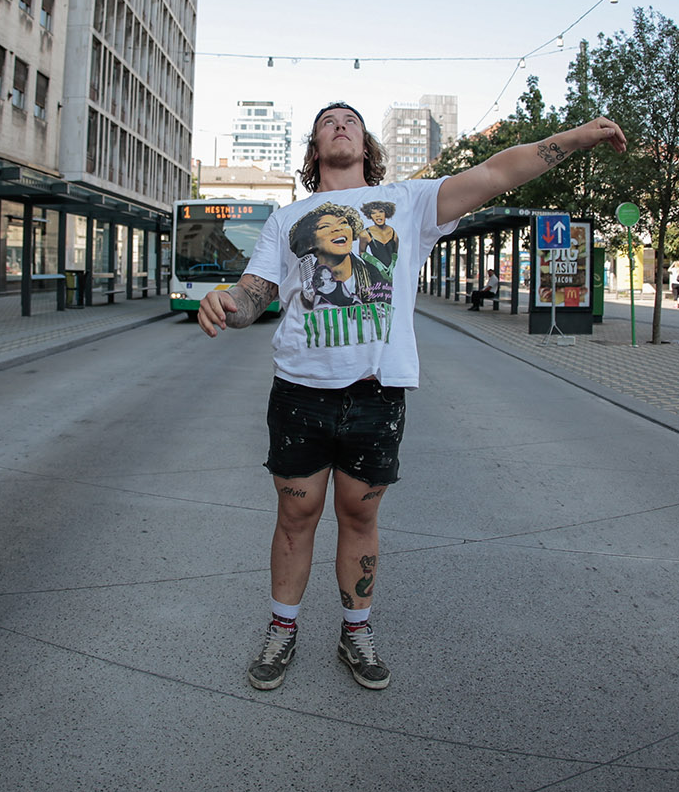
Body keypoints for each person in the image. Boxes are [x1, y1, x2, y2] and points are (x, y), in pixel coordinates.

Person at [198, 101, 626, 692]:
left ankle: (356, 632)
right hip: (300, 392)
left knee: (360, 515)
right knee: (296, 517)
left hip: (378, 396)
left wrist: (576, 137)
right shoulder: (286, 218)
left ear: (366, 142)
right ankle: (283, 627)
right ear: (314, 149)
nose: (339, 125)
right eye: (327, 121)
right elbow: (255, 294)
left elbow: (498, 172)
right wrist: (229, 304)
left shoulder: (410, 201)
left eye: (349, 119)